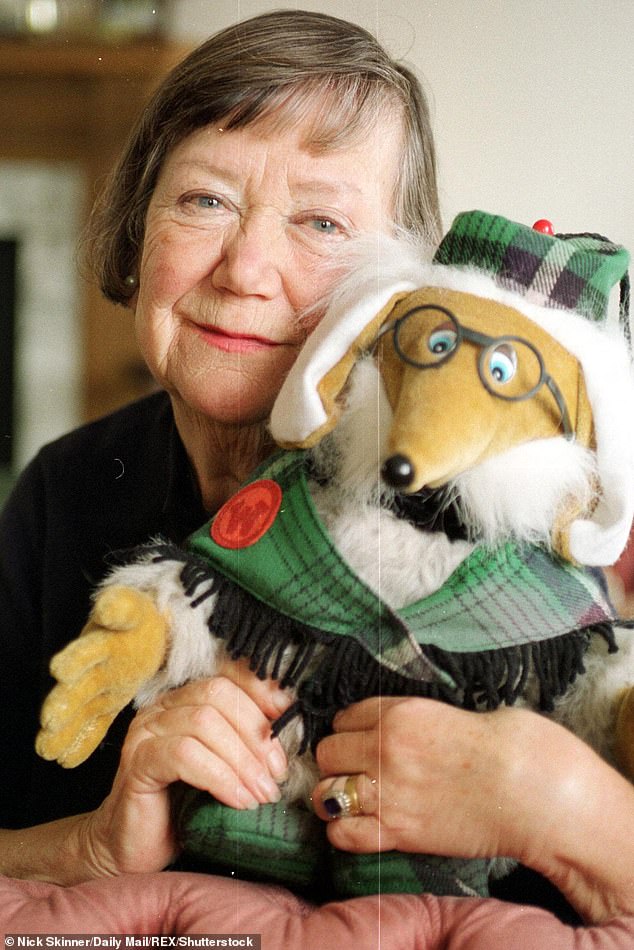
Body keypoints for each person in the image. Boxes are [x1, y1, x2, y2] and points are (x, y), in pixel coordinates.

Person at [0, 9, 632, 931]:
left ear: (400, 284)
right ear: (138, 228)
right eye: (205, 200)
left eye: (322, 220)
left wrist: (569, 804)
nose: (247, 268)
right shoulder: (70, 487)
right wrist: (96, 843)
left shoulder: (524, 510)